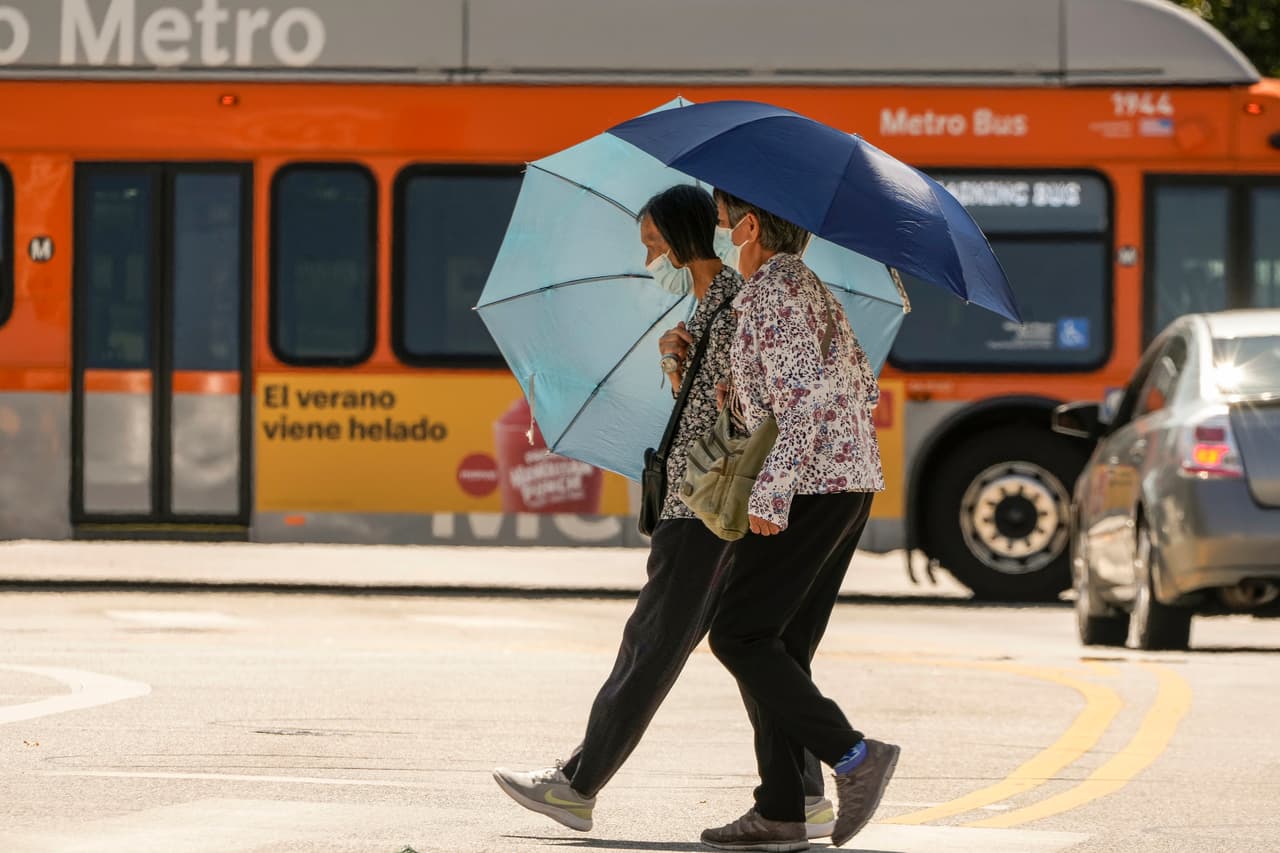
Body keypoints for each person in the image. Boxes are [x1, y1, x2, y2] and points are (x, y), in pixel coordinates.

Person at [492, 185, 837, 840]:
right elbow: (714, 410)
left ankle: (577, 783)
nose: (647, 249)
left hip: (706, 503)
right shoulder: (713, 303)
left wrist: (713, 371)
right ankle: (806, 791)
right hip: (707, 497)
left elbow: (751, 413)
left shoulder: (734, 303)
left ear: (680, 237)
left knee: (653, 639)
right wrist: (682, 369)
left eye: (651, 238)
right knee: (749, 647)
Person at [699, 189, 899, 852]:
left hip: (811, 486)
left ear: (754, 224)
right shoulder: (804, 287)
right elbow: (856, 384)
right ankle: (783, 807)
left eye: (728, 220)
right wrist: (738, 392)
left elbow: (808, 403)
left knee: (739, 634)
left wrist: (769, 494)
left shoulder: (773, 292)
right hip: (843, 481)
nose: (725, 231)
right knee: (779, 648)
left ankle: (854, 756)